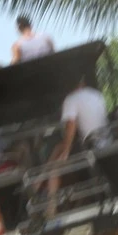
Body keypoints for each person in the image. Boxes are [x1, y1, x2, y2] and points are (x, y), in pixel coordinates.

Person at [44, 72, 108, 216]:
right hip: (105, 144)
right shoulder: (97, 95)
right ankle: (40, 180)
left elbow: (71, 126)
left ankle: (50, 208)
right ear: (83, 82)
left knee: (55, 168)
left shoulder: (71, 99)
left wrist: (66, 151)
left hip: (90, 147)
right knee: (58, 148)